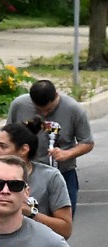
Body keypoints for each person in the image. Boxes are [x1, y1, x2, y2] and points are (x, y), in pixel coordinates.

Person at [6, 79, 94, 211]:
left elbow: (87, 142)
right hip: (27, 173)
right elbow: (7, 136)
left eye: (49, 110)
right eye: (39, 110)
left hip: (63, 174)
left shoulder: (73, 109)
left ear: (56, 96)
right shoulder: (19, 105)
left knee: (61, 223)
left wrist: (66, 154)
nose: (44, 114)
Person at [0, 119, 73, 239]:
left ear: (24, 150)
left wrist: (31, 213)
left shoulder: (51, 177)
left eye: (3, 147)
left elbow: (65, 229)